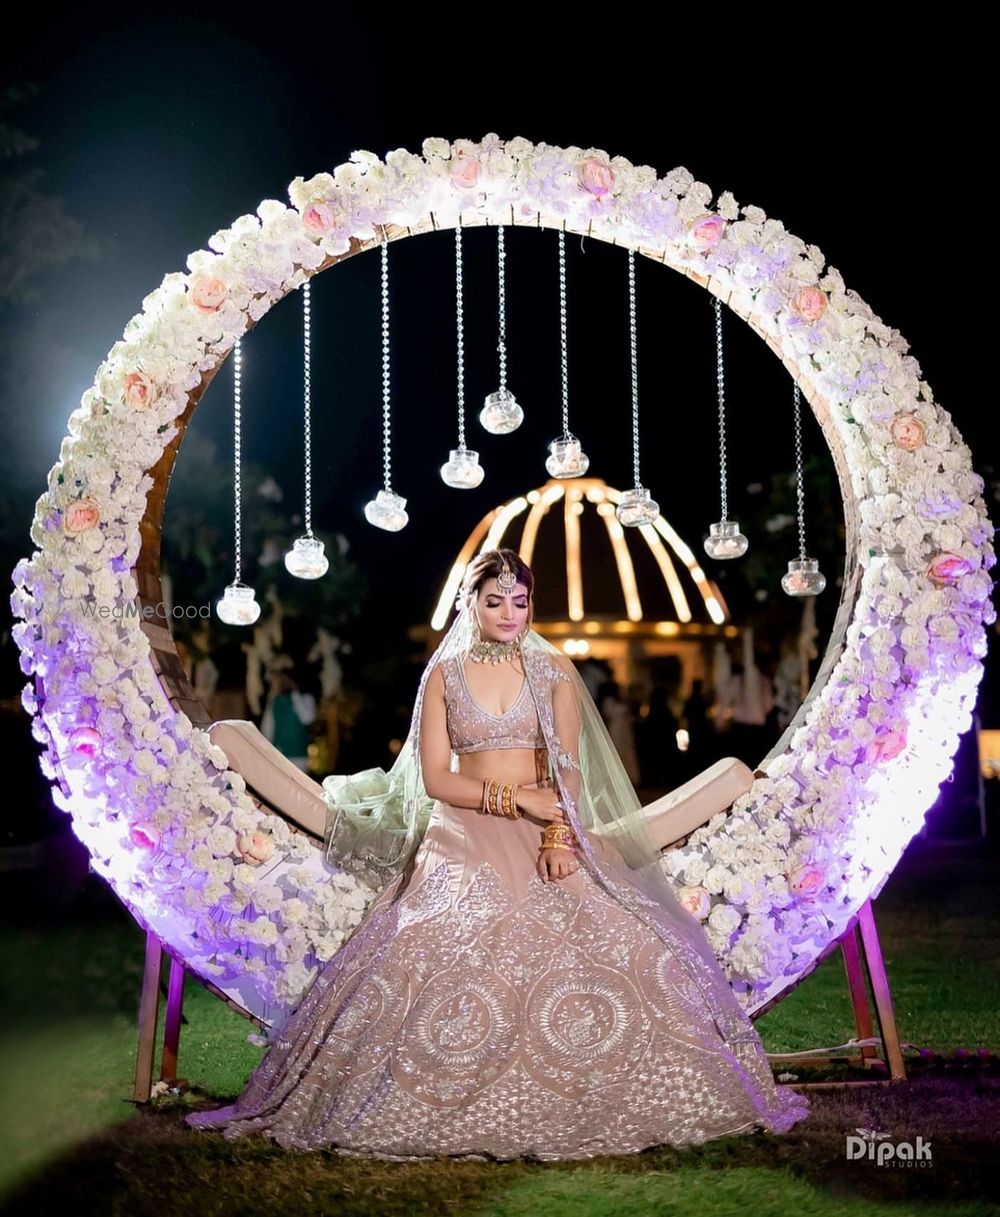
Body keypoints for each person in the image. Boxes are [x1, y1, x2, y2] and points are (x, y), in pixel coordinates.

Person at [185, 549, 808, 1160]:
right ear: (470, 604)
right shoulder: (444, 675)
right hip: (462, 835)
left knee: (635, 947)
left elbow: (566, 770)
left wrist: (560, 837)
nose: (510, 612)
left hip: (549, 833)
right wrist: (517, 800)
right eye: (495, 601)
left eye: (520, 600)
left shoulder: (554, 674)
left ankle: (626, 1095)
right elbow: (436, 780)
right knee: (431, 951)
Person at [261, 662, 317, 772]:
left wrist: (295, 695)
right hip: (279, 755)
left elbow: (307, 718)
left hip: (298, 756)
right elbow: (267, 729)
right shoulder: (275, 702)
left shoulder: (306, 698)